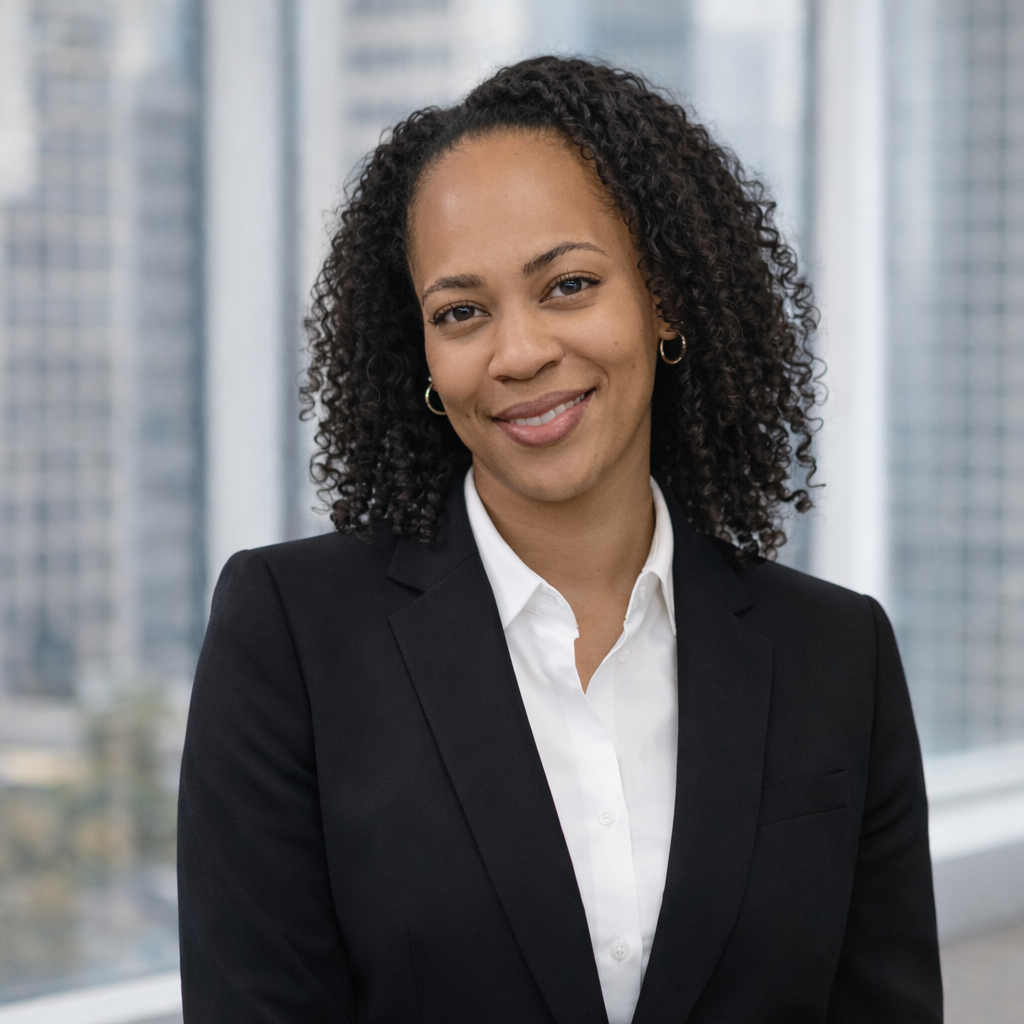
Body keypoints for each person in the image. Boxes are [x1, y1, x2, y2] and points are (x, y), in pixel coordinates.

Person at [177, 57, 942, 1023]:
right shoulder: (291, 638)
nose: (521, 352)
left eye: (569, 285)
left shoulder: (838, 656)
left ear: (664, 299)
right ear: (421, 353)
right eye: (461, 312)